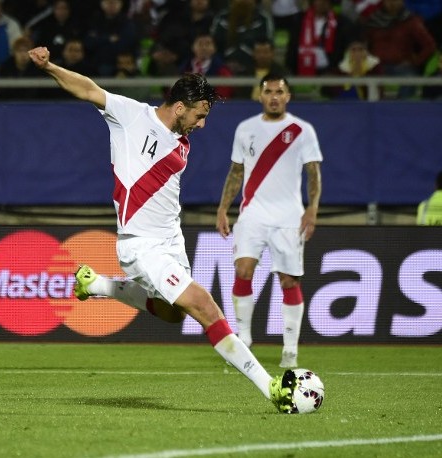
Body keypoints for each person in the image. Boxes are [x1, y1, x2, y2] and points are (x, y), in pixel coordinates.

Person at [27, 45, 296, 413]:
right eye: (200, 116)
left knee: (172, 313)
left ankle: (96, 284)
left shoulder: (182, 143)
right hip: (141, 245)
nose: (202, 125)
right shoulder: (131, 116)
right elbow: (88, 89)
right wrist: (49, 67)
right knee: (204, 305)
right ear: (181, 106)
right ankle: (272, 388)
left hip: (172, 239)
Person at [215, 72, 323, 369]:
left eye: (280, 92)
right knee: (243, 269)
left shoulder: (303, 130)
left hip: (289, 216)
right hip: (252, 213)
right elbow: (236, 172)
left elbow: (313, 174)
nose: (274, 96)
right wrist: (224, 208)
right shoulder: (245, 129)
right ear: (259, 95)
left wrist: (312, 209)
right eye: (269, 91)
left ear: (288, 96)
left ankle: (290, 349)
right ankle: (244, 339)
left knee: (288, 279)